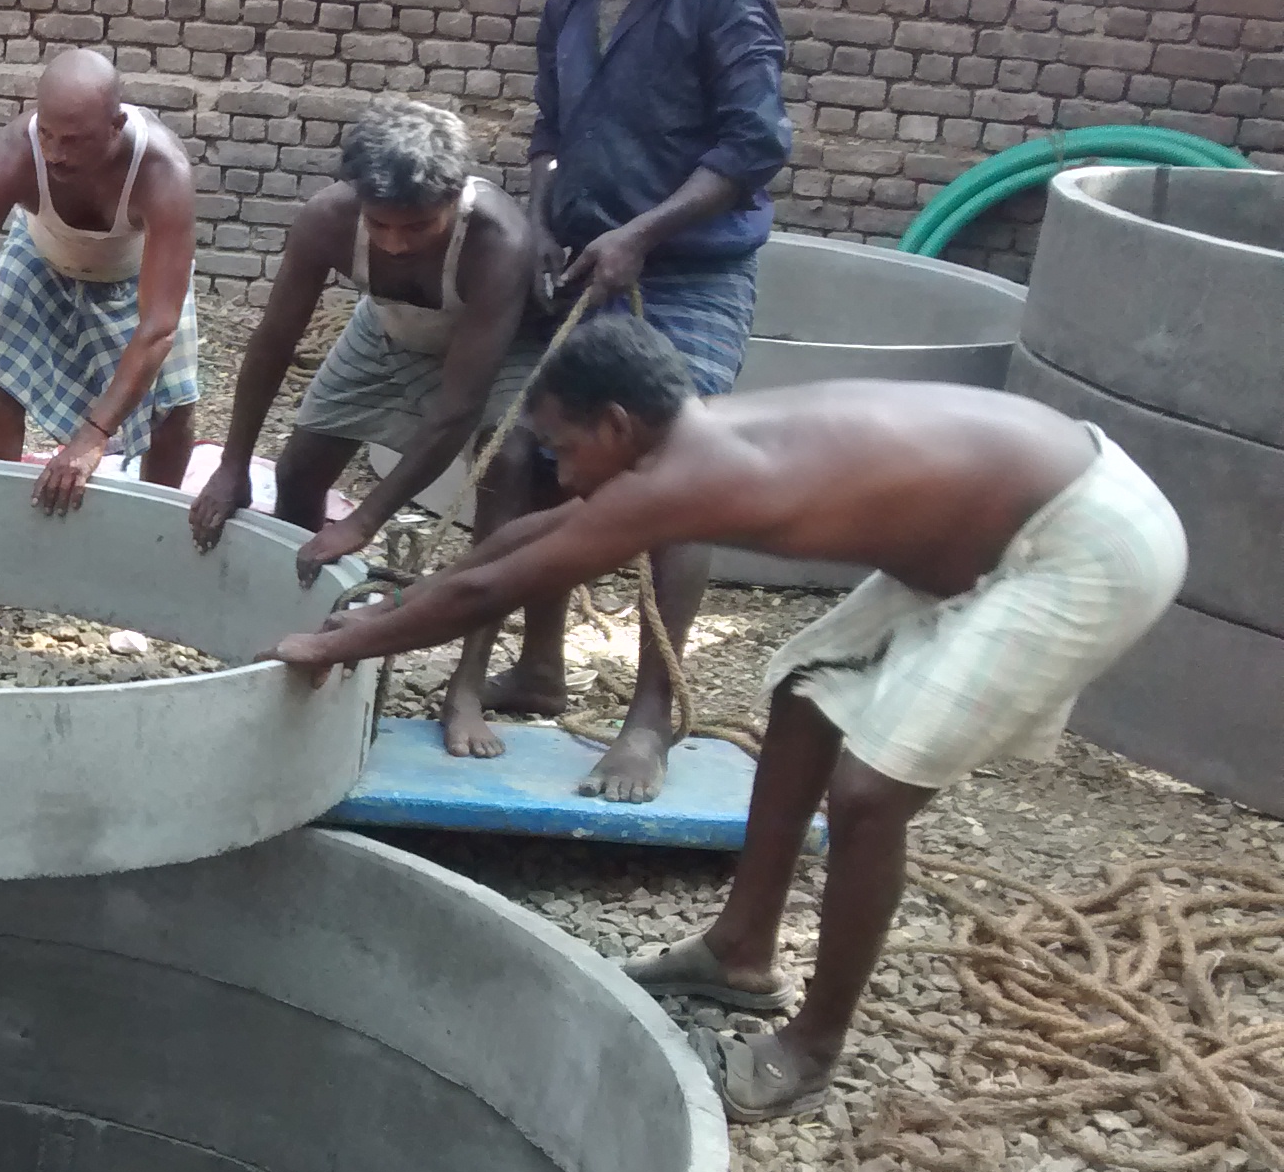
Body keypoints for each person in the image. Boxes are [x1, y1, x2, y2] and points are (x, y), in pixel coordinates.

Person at [269, 317, 1187, 1123]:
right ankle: (739, 952)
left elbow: (499, 584)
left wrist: (338, 647)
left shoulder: (690, 478)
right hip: (1001, 524)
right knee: (803, 690)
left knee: (869, 795)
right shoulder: (684, 440)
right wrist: (398, 607)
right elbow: (522, 545)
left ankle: (811, 1051)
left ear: (619, 426)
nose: (556, 471)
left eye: (560, 449)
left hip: (1082, 545)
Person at [493, 0, 793, 802]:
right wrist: (540, 221)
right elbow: (546, 131)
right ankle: (540, 670)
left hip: (687, 274)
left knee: (675, 476)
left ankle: (652, 721)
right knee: (541, 460)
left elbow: (754, 152)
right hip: (584, 260)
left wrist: (642, 234)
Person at [189, 99, 546, 754]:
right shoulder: (328, 219)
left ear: (454, 197)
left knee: (510, 465)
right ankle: (311, 634)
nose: (395, 242)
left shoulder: (498, 241)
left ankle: (464, 686)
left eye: (417, 227)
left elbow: (458, 406)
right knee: (298, 471)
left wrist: (366, 519)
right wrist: (233, 463)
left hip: (485, 349)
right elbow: (273, 341)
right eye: (380, 225)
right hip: (385, 330)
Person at [0, 48, 200, 514]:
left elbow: (159, 325)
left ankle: (155, 525)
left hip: (134, 277)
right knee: (4, 386)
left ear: (115, 128)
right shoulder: (13, 155)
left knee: (174, 404)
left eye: (74, 141)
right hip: (43, 259)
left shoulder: (162, 173)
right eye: (47, 134)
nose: (55, 154)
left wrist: (94, 436)